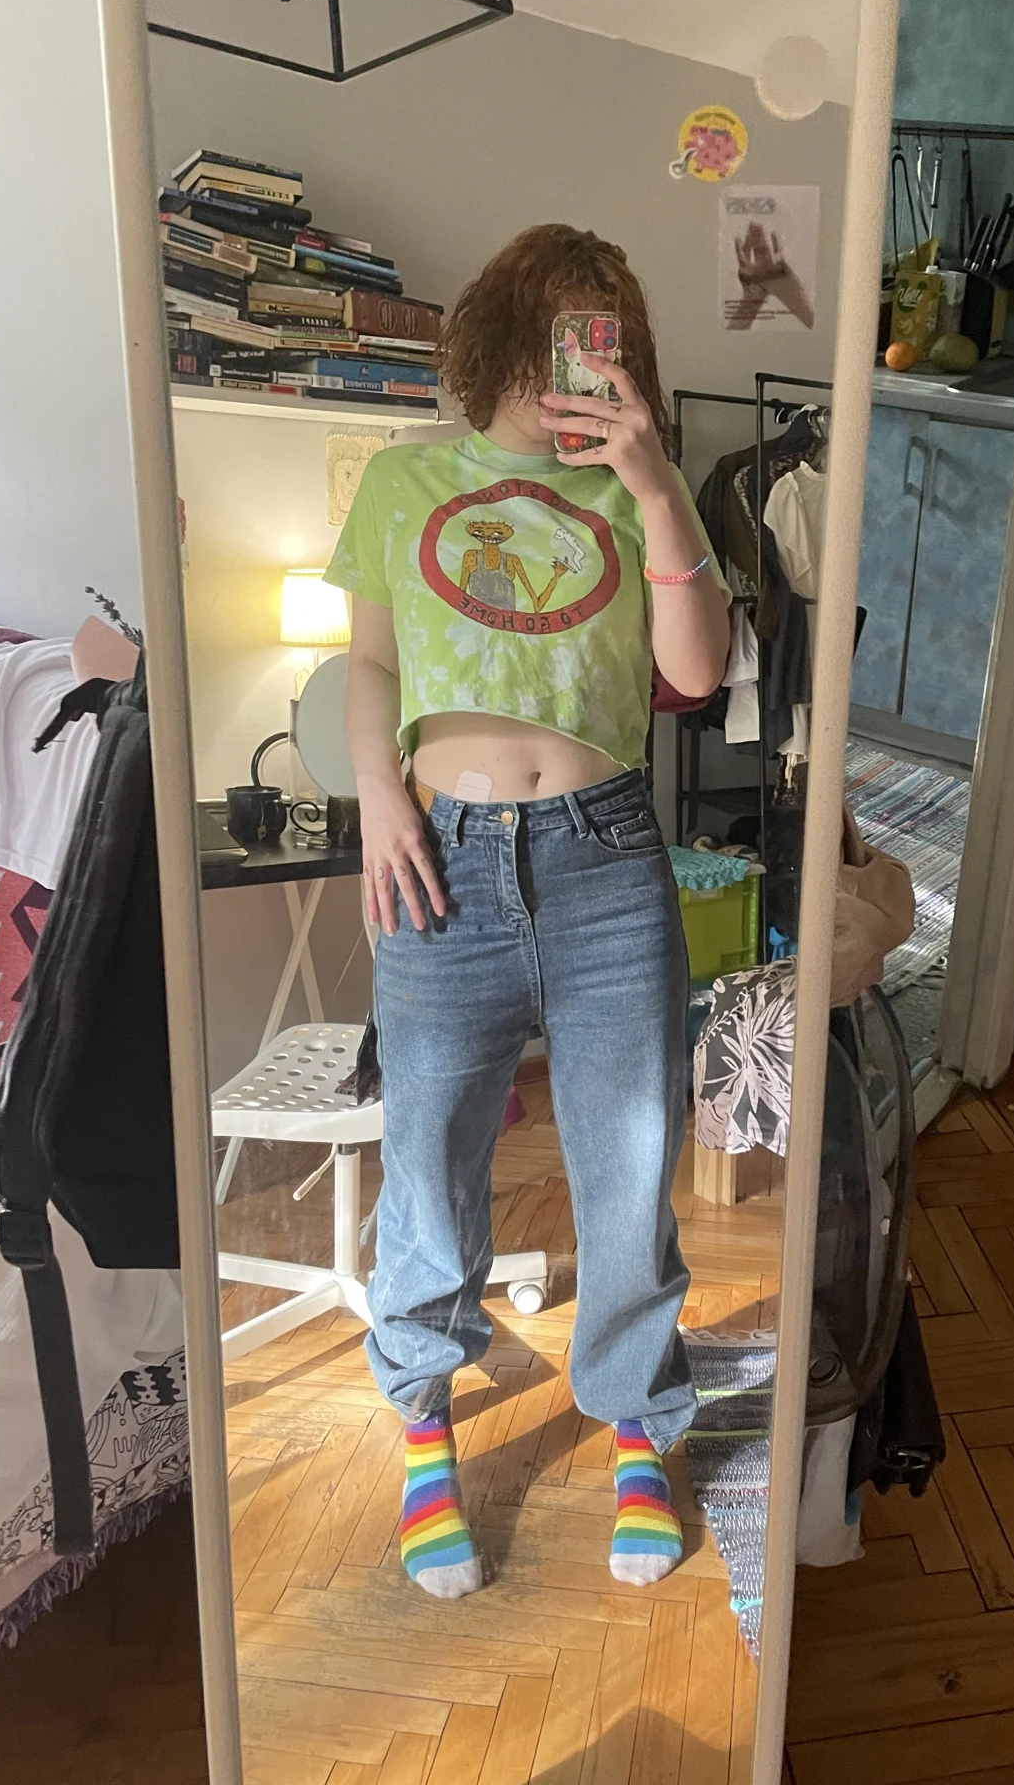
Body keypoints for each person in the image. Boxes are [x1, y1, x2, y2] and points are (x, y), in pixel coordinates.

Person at [324, 223, 730, 1599]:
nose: (578, 368)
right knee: (429, 1157)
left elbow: (699, 671)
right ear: (502, 336)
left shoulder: (635, 490)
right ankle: (424, 1432)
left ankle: (638, 1424)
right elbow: (369, 664)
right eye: (560, 335)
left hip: (606, 858)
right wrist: (377, 796)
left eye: (604, 340)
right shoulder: (405, 480)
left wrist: (654, 483)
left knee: (630, 1160)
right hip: (440, 861)